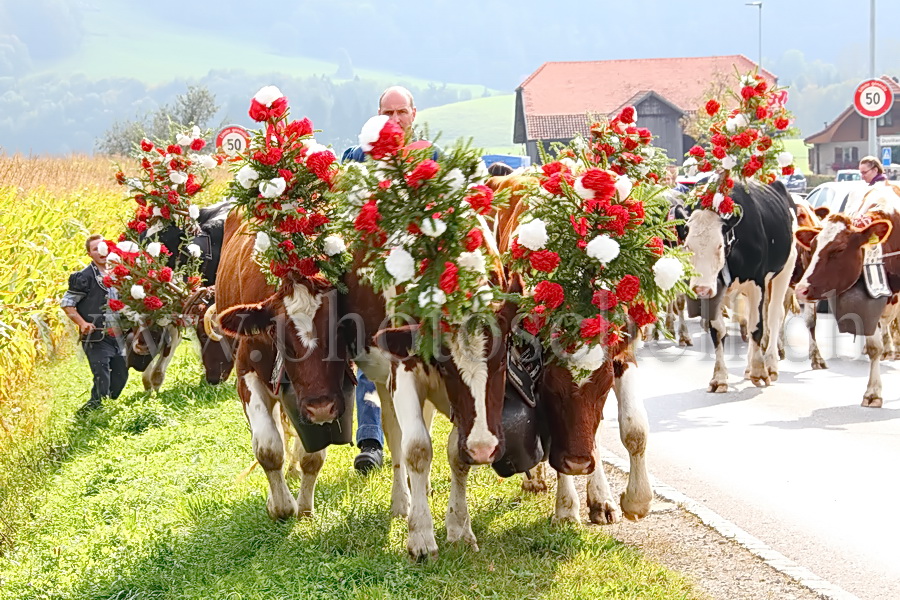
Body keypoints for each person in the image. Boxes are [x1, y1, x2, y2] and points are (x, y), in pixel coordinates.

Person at [343, 85, 439, 474]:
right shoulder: (356, 156)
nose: (395, 119)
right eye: (388, 112)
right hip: (368, 272)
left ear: (414, 114)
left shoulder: (431, 156)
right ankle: (370, 441)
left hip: (416, 273)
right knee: (368, 347)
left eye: (402, 112)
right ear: (377, 115)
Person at [61, 234, 128, 413]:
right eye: (95, 249)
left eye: (103, 247)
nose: (101, 252)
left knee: (121, 377)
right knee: (102, 376)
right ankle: (91, 413)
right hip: (97, 337)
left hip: (118, 335)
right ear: (89, 254)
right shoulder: (84, 277)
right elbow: (67, 303)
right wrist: (82, 323)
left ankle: (102, 405)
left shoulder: (119, 272)